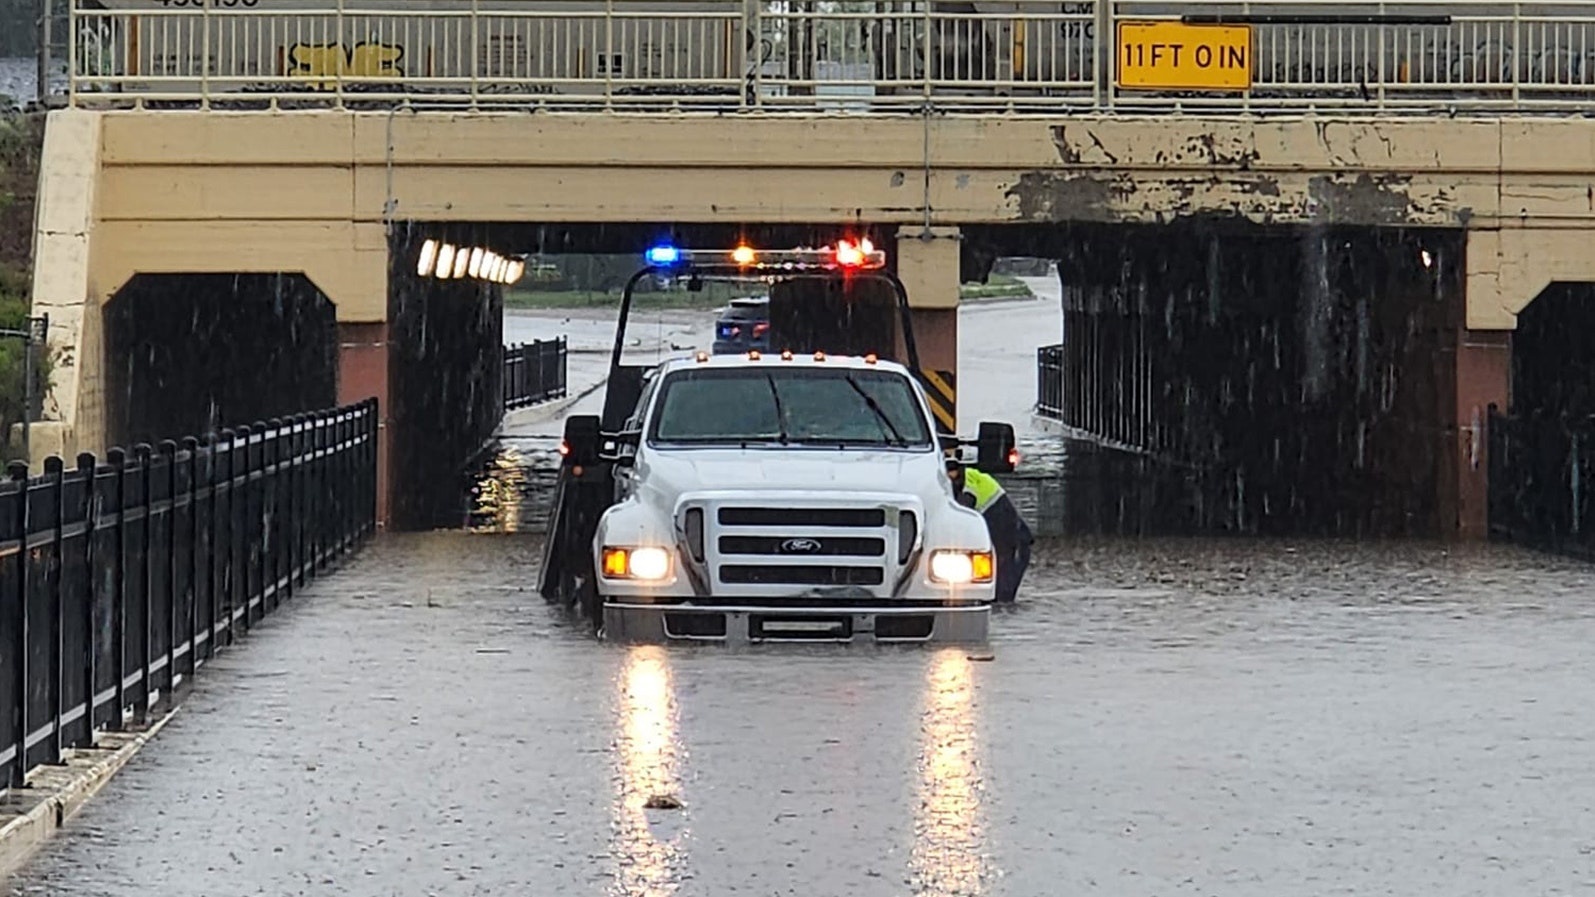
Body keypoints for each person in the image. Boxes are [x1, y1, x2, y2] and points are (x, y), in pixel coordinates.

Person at [948, 462, 1033, 603]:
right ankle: (1000, 601)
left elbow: (960, 519)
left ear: (954, 471)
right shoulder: (969, 477)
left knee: (1001, 580)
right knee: (1002, 573)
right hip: (1012, 531)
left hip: (1006, 532)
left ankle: (999, 602)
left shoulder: (967, 489)